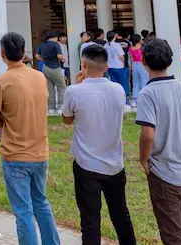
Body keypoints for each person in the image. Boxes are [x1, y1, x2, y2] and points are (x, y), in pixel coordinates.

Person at [0, 32, 60, 245]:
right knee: (41, 204)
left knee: (23, 211)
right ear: (24, 52)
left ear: (2, 54)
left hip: (14, 154)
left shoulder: (0, 83)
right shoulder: (39, 76)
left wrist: (8, 117)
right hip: (40, 152)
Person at [136, 38, 181, 245]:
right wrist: (180, 143)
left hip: (164, 173)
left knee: (172, 233)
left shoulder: (148, 93)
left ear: (143, 62)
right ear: (169, 61)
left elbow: (148, 134)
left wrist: (144, 159)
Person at [63, 43, 136, 245]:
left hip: (86, 165)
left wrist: (79, 84)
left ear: (83, 64)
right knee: (121, 216)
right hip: (114, 163)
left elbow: (67, 119)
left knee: (90, 221)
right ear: (106, 66)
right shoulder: (118, 90)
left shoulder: (73, 91)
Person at [37, 32, 66, 114]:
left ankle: (51, 108)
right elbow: (59, 56)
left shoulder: (42, 44)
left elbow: (37, 56)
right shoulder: (55, 44)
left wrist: (44, 60)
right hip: (55, 67)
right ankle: (61, 107)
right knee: (61, 87)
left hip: (45, 67)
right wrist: (62, 59)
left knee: (50, 88)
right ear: (55, 37)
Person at [106, 31, 130, 107]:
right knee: (123, 84)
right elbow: (121, 56)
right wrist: (123, 63)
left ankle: (115, 101)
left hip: (110, 67)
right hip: (119, 67)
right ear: (114, 36)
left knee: (114, 85)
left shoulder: (106, 45)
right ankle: (124, 101)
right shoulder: (116, 45)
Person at [128, 34, 146, 107]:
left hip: (134, 65)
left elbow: (131, 59)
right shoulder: (142, 48)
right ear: (139, 40)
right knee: (144, 82)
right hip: (142, 64)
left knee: (135, 82)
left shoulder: (130, 48)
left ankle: (134, 100)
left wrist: (131, 66)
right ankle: (143, 99)